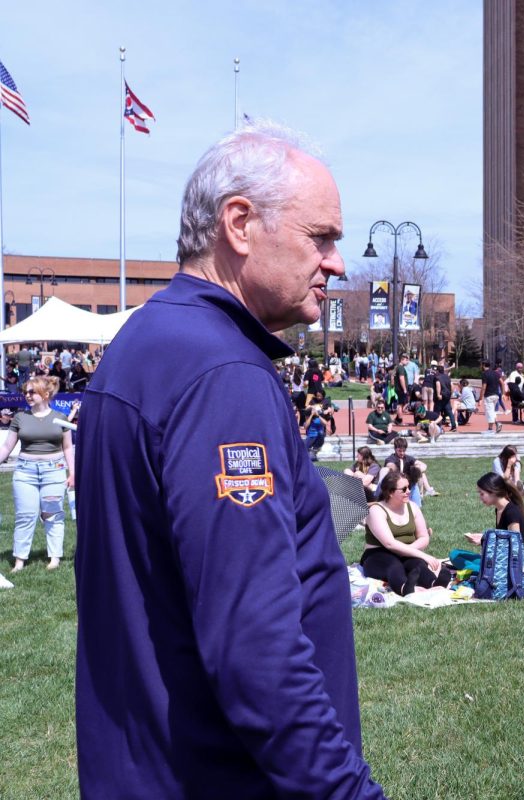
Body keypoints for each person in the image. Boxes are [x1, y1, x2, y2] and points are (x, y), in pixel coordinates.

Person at [73, 124, 386, 797]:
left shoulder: (147, 343)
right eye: (321, 237)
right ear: (239, 224)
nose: (337, 264)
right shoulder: (223, 372)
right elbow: (257, 648)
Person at [0, 376, 74, 572]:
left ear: (46, 394)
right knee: (25, 516)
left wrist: (72, 473)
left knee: (53, 515)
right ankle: (19, 561)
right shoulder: (20, 418)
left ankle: (54, 558)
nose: (27, 395)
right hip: (25, 472)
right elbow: (7, 447)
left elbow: (68, 448)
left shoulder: (61, 418)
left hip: (54, 470)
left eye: (32, 392)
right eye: (26, 392)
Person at [360, 471, 451, 596]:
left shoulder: (412, 507)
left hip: (407, 552)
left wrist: (407, 551)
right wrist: (423, 555)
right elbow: (389, 544)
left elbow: (424, 537)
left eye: (409, 487)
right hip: (378, 555)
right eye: (403, 489)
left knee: (418, 564)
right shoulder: (376, 510)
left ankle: (434, 584)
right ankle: (404, 588)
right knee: (394, 565)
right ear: (390, 492)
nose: (409, 491)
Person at [464, 472, 524, 549]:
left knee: (457, 556)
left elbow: (515, 544)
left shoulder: (511, 512)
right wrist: (484, 536)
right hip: (502, 556)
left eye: (482, 494)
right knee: (456, 554)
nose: (480, 497)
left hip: (513, 559)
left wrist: (485, 540)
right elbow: (502, 537)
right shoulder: (499, 509)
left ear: (493, 492)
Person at [480, 359, 504, 434]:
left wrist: (480, 398)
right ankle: (492, 426)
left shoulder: (485, 374)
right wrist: (502, 393)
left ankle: (492, 427)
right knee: (492, 411)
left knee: (489, 412)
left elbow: (484, 386)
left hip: (488, 395)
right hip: (496, 395)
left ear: (483, 365)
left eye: (481, 365)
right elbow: (502, 383)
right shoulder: (496, 373)